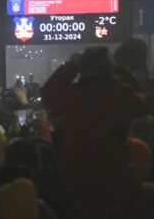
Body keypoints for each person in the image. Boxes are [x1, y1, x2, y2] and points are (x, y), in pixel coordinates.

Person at [41, 46, 151, 218]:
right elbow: (146, 99)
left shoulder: (73, 94)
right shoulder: (123, 95)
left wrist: (71, 65)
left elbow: (47, 93)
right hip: (116, 176)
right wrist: (120, 70)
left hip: (76, 180)